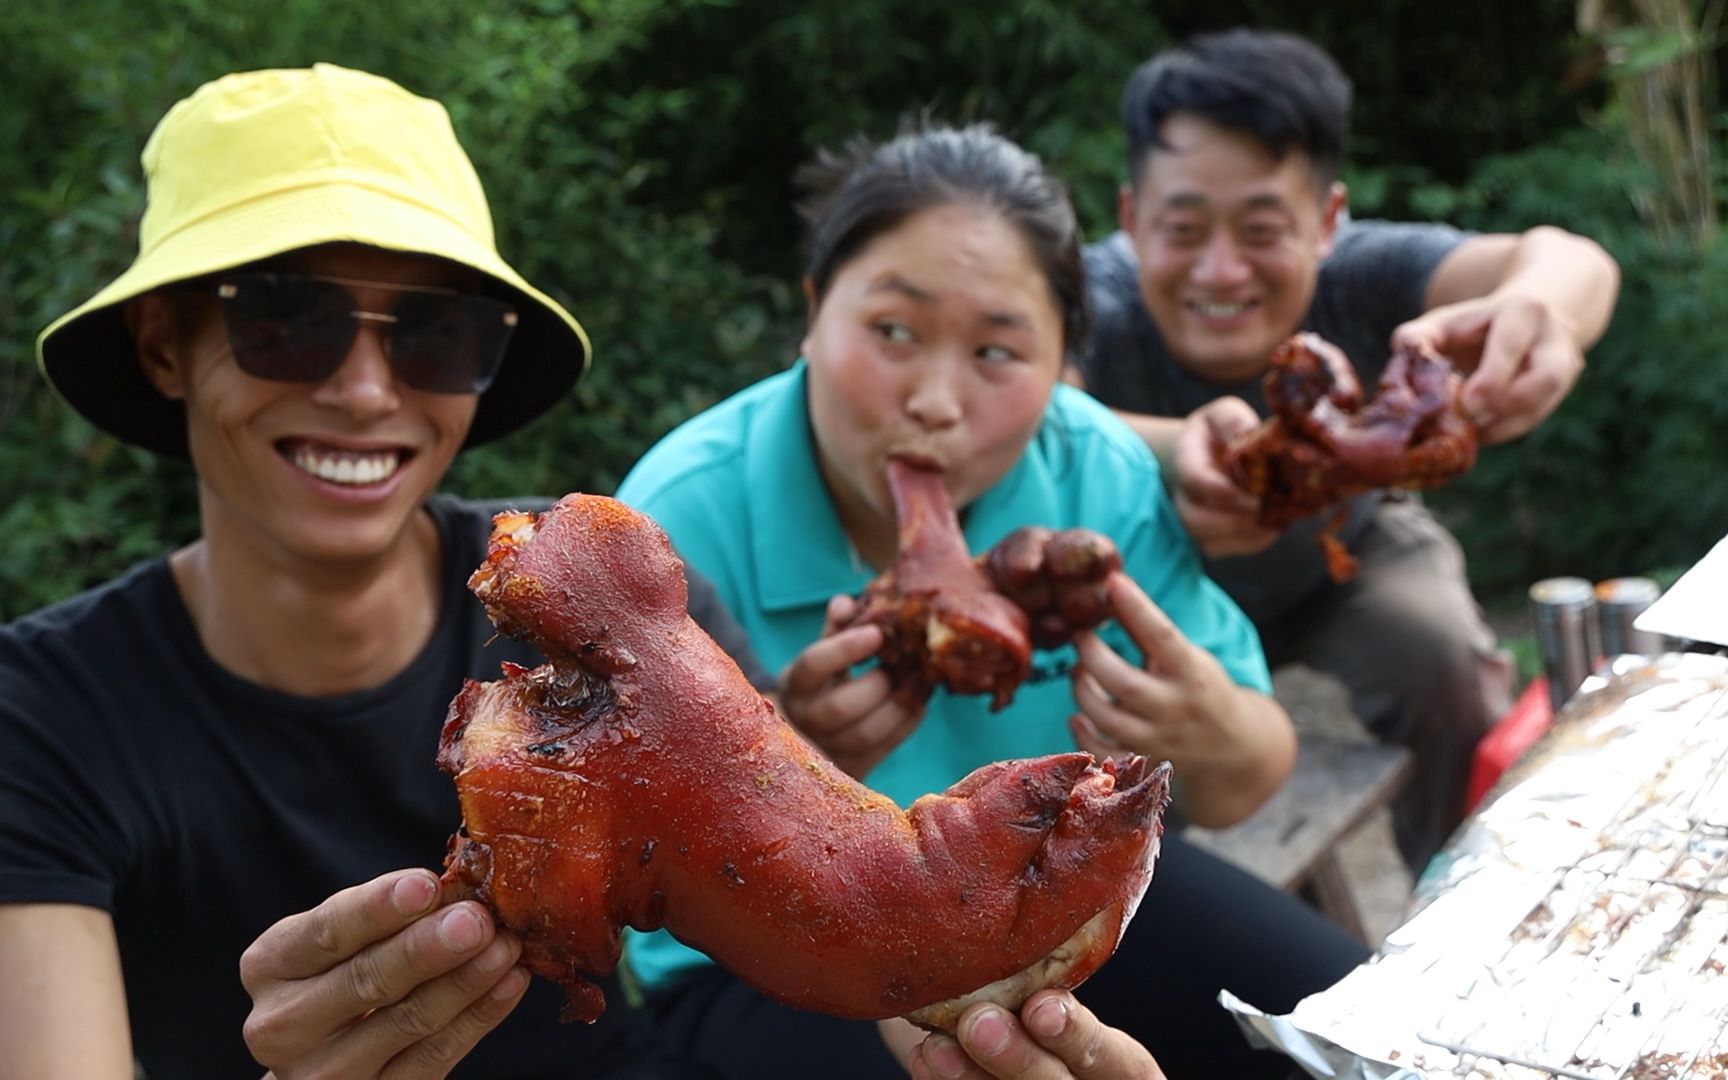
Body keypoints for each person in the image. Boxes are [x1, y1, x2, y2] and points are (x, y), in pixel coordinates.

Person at [0, 64, 780, 1079]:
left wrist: (947, 1005)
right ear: (164, 346)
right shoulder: (43, 718)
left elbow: (815, 907)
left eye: (432, 330)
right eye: (282, 318)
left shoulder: (594, 608)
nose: (366, 390)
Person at [614, 123, 1368, 1080]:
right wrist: (777, 772)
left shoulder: (1092, 469)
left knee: (1348, 1033)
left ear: (1062, 366)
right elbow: (634, 857)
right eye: (893, 331)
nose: (934, 399)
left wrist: (1210, 731)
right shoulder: (677, 518)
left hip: (1059, 895)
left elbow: (1250, 775)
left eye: (999, 352)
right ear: (813, 312)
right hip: (765, 955)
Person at [1073, 29, 1622, 871]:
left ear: (1329, 219)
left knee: (1439, 657)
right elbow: (1025, 402)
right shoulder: (1085, 300)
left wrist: (1541, 313)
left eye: (1262, 228)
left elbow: (1565, 258)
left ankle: (1464, 884)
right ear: (1130, 219)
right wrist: (1171, 448)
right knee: (1108, 740)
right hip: (1151, 578)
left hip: (1347, 544)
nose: (1221, 271)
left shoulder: (1363, 276)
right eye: (1183, 228)